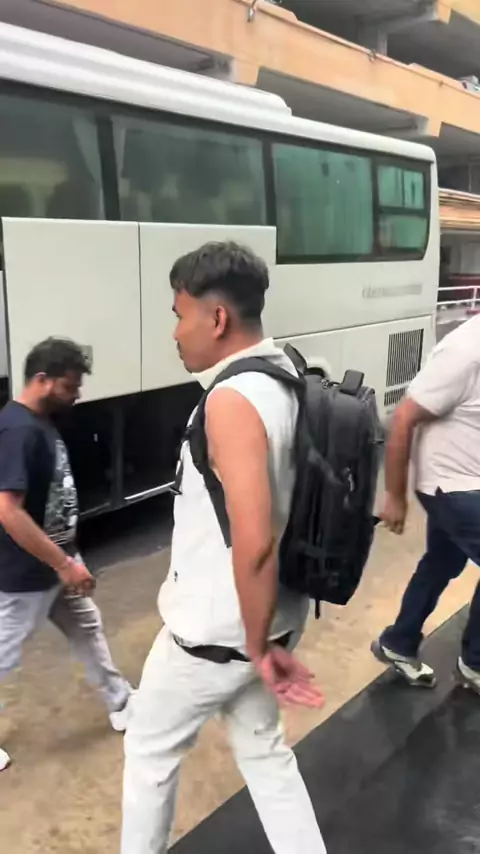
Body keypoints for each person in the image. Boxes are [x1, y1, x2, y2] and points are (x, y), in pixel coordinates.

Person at [122, 242, 326, 854]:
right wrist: (264, 642)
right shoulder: (286, 373)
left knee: (149, 749)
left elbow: (255, 541)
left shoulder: (232, 401)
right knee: (265, 754)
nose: (175, 332)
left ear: (216, 318)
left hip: (218, 633)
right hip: (272, 616)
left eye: (179, 315)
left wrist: (256, 646)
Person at [0, 338, 133, 772]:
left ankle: (121, 703)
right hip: (25, 574)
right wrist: (62, 563)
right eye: (70, 386)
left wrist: (69, 559)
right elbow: (8, 511)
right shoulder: (18, 430)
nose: (77, 394)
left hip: (57, 566)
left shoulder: (39, 421)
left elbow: (51, 500)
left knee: (88, 630)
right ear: (42, 379)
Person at [372, 313, 480, 690]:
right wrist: (395, 496)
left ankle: (398, 643)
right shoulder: (465, 352)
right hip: (450, 485)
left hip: (467, 480)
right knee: (442, 562)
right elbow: (402, 419)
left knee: (443, 561)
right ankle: (475, 664)